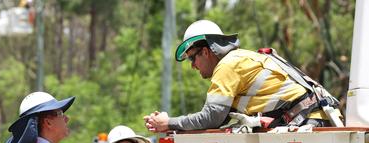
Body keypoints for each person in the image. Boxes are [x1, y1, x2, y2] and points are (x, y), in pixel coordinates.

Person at [144, 20, 341, 132]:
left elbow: (212, 118)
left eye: (192, 59)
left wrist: (168, 122)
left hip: (308, 123)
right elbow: (219, 120)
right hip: (311, 120)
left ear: (205, 52)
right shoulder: (239, 58)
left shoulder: (227, 66)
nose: (193, 67)